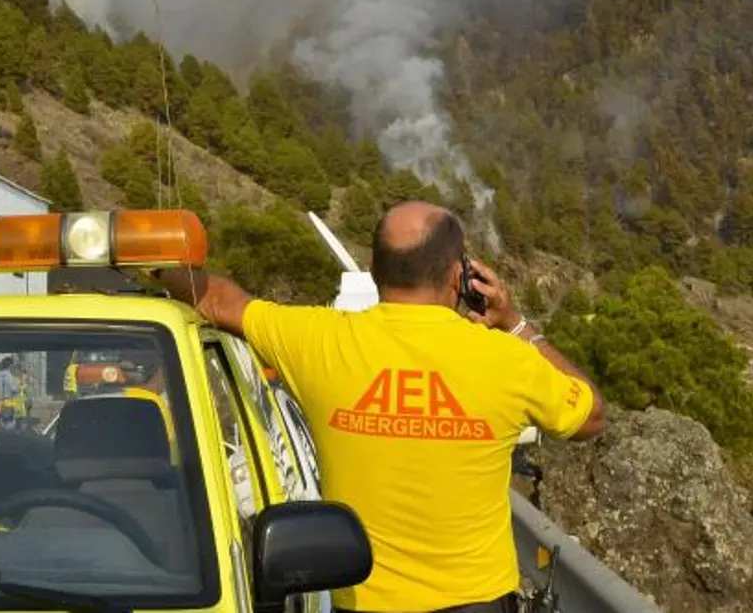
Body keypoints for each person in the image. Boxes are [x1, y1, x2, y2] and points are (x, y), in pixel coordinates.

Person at [154, 201, 605, 613]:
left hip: (359, 599)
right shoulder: (508, 360)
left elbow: (217, 300)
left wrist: (155, 264)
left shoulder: (318, 339)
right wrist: (514, 322)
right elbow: (591, 416)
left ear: (372, 270)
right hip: (477, 602)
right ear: (459, 275)